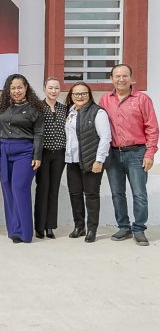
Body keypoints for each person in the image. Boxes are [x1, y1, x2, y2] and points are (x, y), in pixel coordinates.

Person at [99, 64, 158, 246]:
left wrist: (150, 153)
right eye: (117, 76)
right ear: (111, 78)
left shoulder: (142, 99)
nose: (121, 79)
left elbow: (152, 128)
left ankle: (139, 229)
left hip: (137, 153)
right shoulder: (104, 100)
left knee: (139, 193)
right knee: (117, 193)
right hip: (113, 154)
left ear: (131, 78)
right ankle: (124, 227)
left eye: (125, 76)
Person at [0, 74, 44, 244]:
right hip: (3, 151)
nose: (16, 91)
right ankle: (14, 231)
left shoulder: (34, 109)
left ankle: (25, 233)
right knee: (7, 190)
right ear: (8, 90)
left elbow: (39, 133)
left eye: (19, 87)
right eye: (13, 88)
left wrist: (37, 156)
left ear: (26, 88)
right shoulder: (3, 107)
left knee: (19, 188)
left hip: (24, 152)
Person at [64, 82, 111, 243]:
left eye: (83, 93)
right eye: (76, 94)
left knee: (91, 195)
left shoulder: (98, 112)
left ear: (89, 95)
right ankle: (79, 226)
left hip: (91, 160)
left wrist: (99, 160)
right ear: (71, 96)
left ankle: (92, 229)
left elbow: (105, 137)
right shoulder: (70, 111)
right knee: (75, 194)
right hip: (72, 160)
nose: (80, 96)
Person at [33, 77, 67, 239]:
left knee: (54, 189)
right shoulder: (38, 107)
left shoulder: (65, 109)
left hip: (60, 154)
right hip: (43, 154)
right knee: (43, 188)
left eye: (56, 88)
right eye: (51, 88)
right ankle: (39, 226)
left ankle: (50, 226)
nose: (54, 91)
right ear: (44, 89)